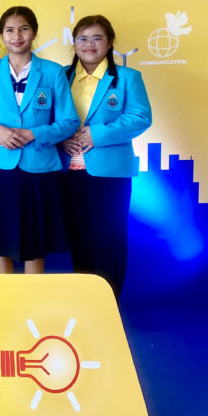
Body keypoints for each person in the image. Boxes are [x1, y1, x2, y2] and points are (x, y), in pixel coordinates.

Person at [0, 6, 79, 274]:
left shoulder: (53, 72)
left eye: (23, 29)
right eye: (9, 30)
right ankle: (5, 290)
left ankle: (33, 292)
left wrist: (35, 134)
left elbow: (69, 121)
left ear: (34, 33)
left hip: (40, 165)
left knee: (37, 235)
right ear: (1, 35)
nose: (17, 35)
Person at [61, 15, 152, 299]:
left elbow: (140, 117)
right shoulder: (61, 76)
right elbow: (47, 117)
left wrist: (97, 135)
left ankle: (109, 302)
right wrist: (60, 138)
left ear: (109, 42)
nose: (89, 44)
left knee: (110, 239)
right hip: (67, 171)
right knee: (79, 238)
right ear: (74, 43)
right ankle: (85, 301)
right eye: (83, 38)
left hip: (110, 173)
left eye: (97, 38)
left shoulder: (127, 77)